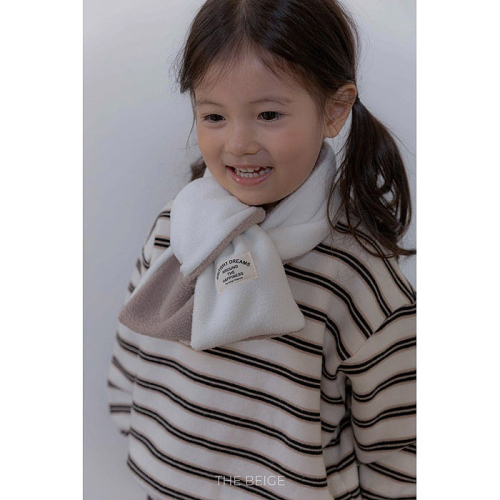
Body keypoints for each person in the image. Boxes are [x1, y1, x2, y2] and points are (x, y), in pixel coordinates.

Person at [107, 0, 416, 499]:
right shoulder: (175, 229)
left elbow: (398, 449)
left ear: (334, 110)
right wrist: (153, 452)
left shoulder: (358, 278)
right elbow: (132, 350)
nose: (239, 143)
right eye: (214, 115)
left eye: (268, 114)